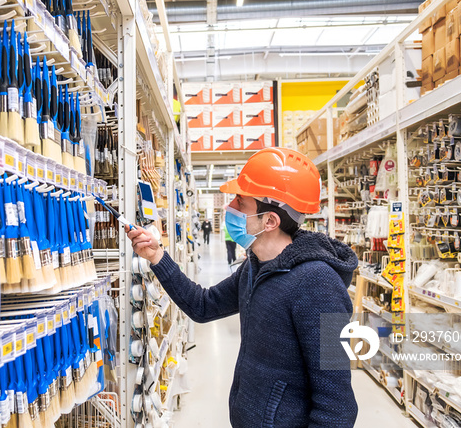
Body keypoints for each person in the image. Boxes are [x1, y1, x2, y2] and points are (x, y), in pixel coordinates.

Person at [127, 148, 358, 428]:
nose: (230, 207)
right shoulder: (256, 266)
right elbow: (202, 305)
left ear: (270, 221)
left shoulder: (321, 286)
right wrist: (157, 257)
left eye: (241, 202)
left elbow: (338, 406)